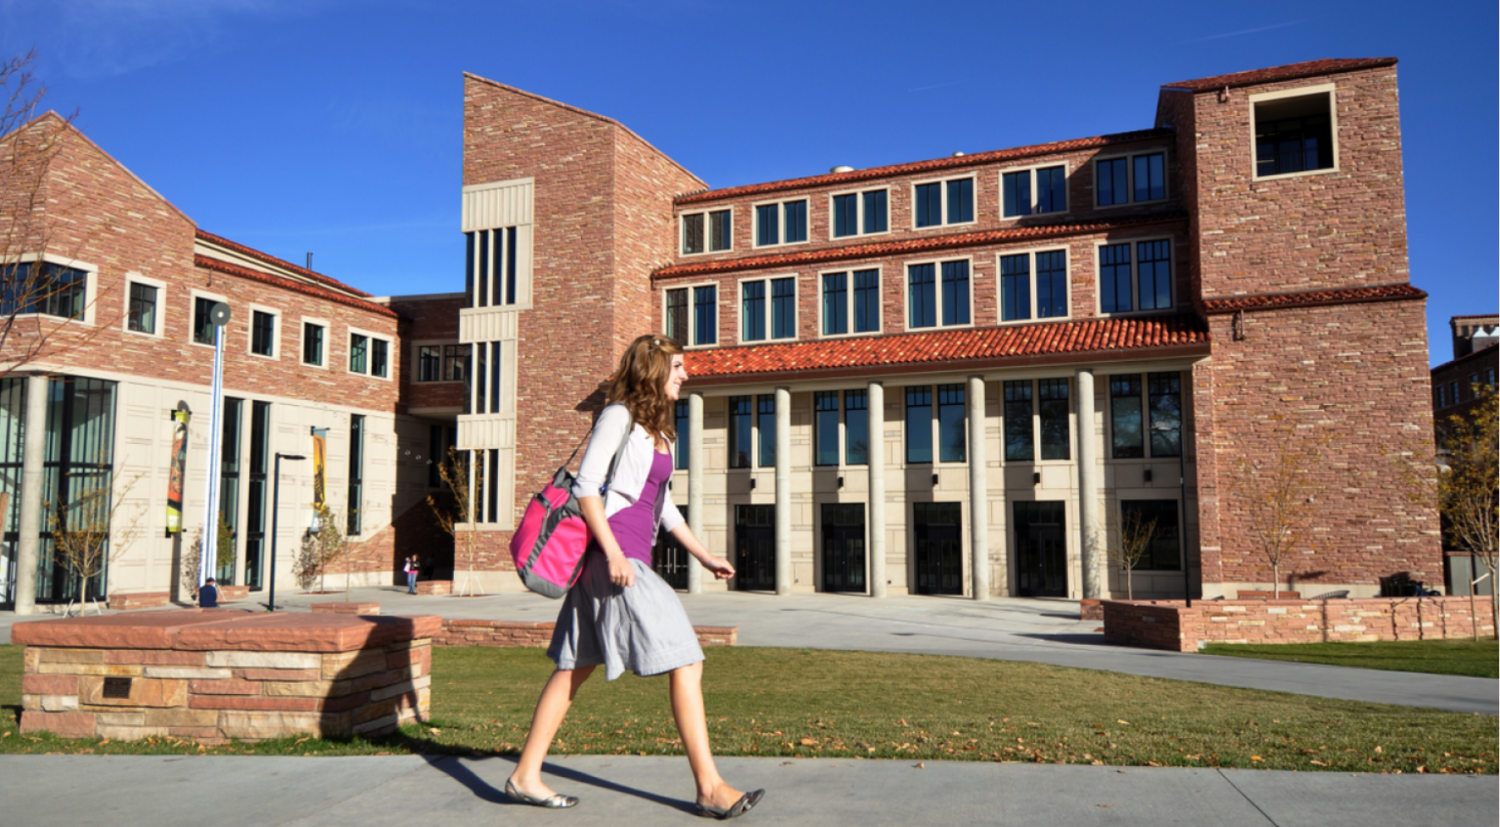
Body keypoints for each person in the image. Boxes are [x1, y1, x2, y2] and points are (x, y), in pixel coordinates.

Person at [505, 334, 765, 820]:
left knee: (572, 667)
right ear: (654, 369)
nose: (686, 375)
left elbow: (663, 506)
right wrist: (614, 554)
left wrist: (705, 556)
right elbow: (585, 487)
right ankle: (709, 787)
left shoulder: (660, 431)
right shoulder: (618, 416)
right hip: (616, 561)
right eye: (679, 366)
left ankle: (524, 775)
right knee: (686, 659)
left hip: (619, 559)